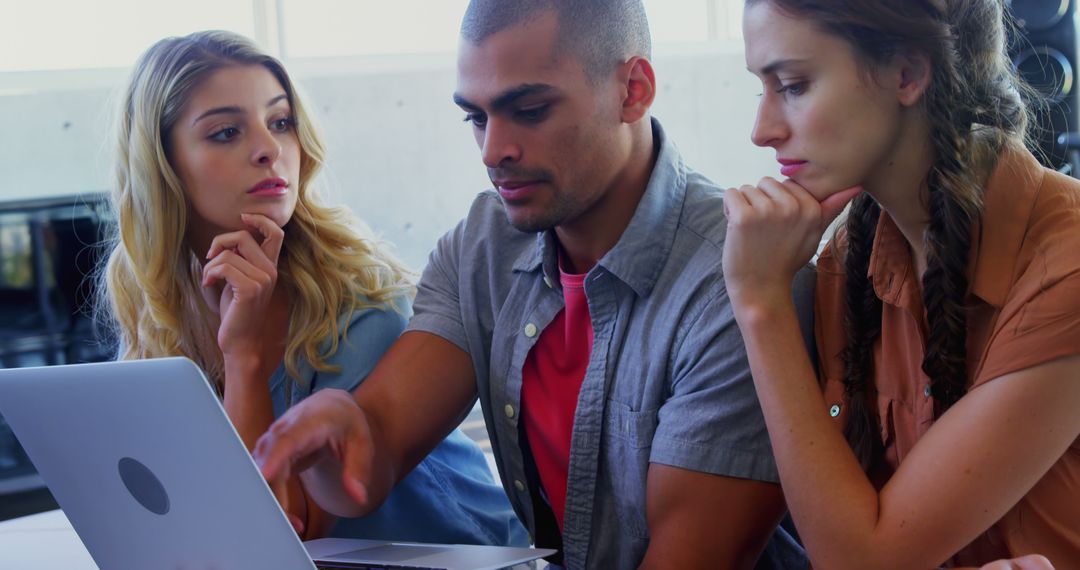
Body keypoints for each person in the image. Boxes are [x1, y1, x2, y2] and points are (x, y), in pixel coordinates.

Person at [254, 1, 813, 568]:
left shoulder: (739, 279)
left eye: (529, 109)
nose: (494, 151)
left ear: (633, 90)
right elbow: (373, 447)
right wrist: (340, 429)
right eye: (476, 118)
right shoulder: (483, 245)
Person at [99, 30, 526, 546]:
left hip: (463, 554)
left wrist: (245, 356)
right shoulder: (160, 303)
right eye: (226, 132)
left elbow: (281, 533)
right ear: (163, 163)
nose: (268, 149)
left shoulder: (360, 302)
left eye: (281, 123)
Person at [722, 0, 1080, 568]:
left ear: (907, 74)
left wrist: (761, 304)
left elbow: (859, 559)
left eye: (792, 85)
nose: (762, 130)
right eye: (761, 88)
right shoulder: (850, 256)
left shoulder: (1066, 268)